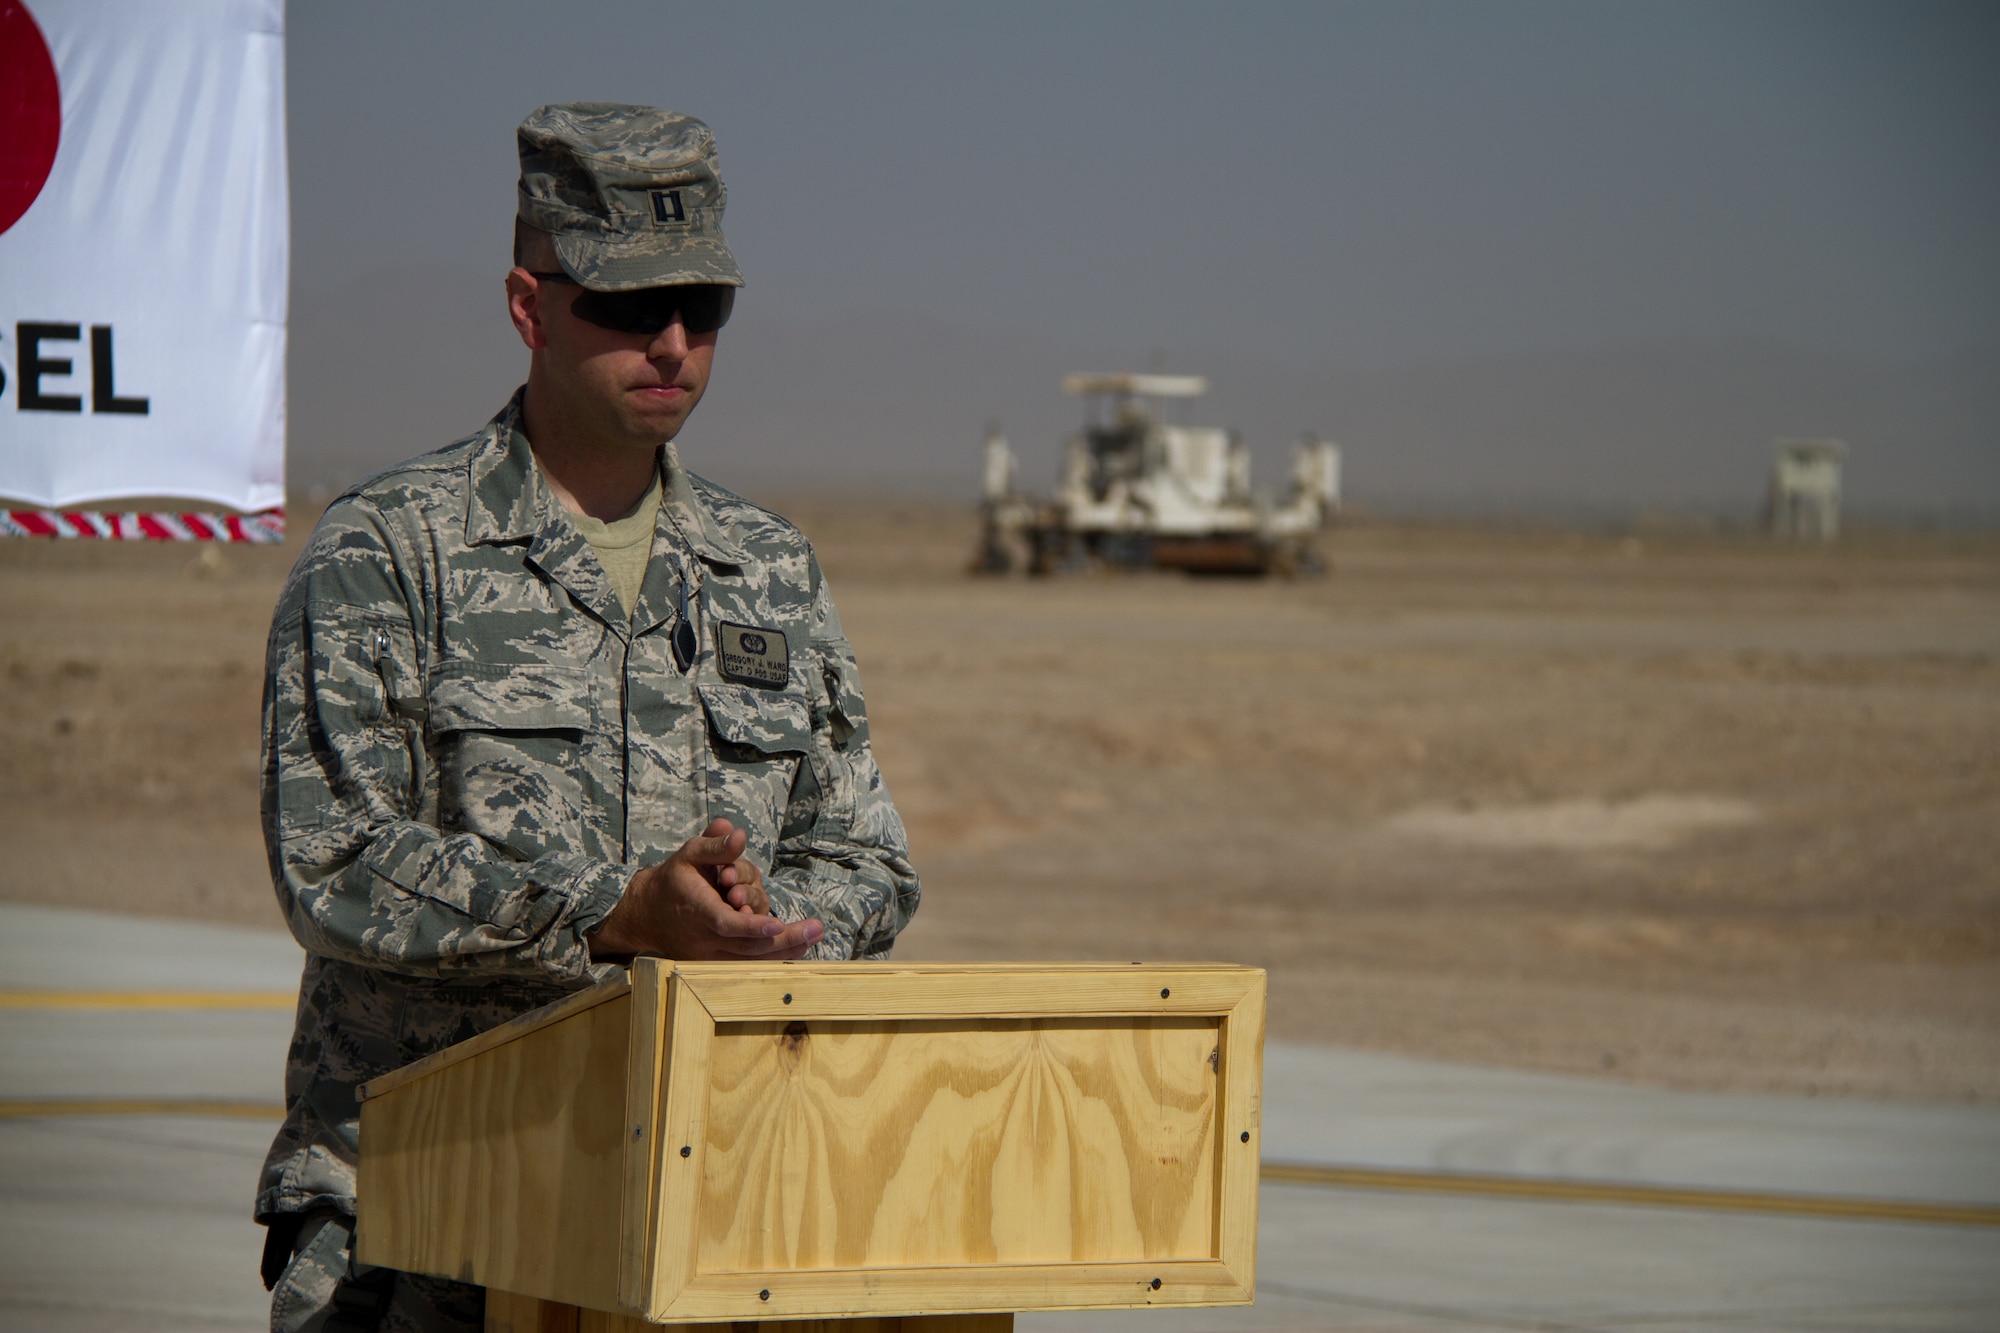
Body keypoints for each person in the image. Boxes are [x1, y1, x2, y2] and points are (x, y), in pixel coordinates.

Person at [255, 103, 919, 1333]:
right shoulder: (392, 549)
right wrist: (608, 918)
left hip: (695, 1223)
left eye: (702, 309)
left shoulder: (765, 566)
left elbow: (870, 856)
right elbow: (333, 855)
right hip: (422, 1224)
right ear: (528, 307)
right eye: (625, 306)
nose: (670, 342)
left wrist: (756, 923)